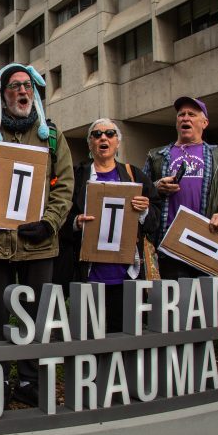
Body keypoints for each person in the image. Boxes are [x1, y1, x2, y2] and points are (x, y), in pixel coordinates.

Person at [0, 63, 74, 406]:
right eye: (14, 87)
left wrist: (50, 222)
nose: (22, 92)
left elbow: (66, 185)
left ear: (35, 93)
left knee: (35, 316)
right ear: (2, 94)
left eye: (27, 86)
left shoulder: (52, 135)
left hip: (38, 244)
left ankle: (30, 383)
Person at [54, 119, 160, 333]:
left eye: (110, 133)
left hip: (126, 277)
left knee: (124, 338)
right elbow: (58, 214)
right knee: (88, 340)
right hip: (87, 276)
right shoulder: (76, 176)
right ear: (90, 143)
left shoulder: (134, 175)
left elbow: (154, 221)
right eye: (97, 134)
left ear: (117, 142)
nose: (104, 137)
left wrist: (144, 210)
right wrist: (75, 223)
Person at [142, 96, 218, 279]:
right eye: (181, 114)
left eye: (192, 114)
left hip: (205, 243)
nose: (185, 118)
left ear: (204, 122)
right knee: (172, 304)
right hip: (167, 245)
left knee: (203, 304)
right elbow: (140, 193)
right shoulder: (156, 156)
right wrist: (156, 187)